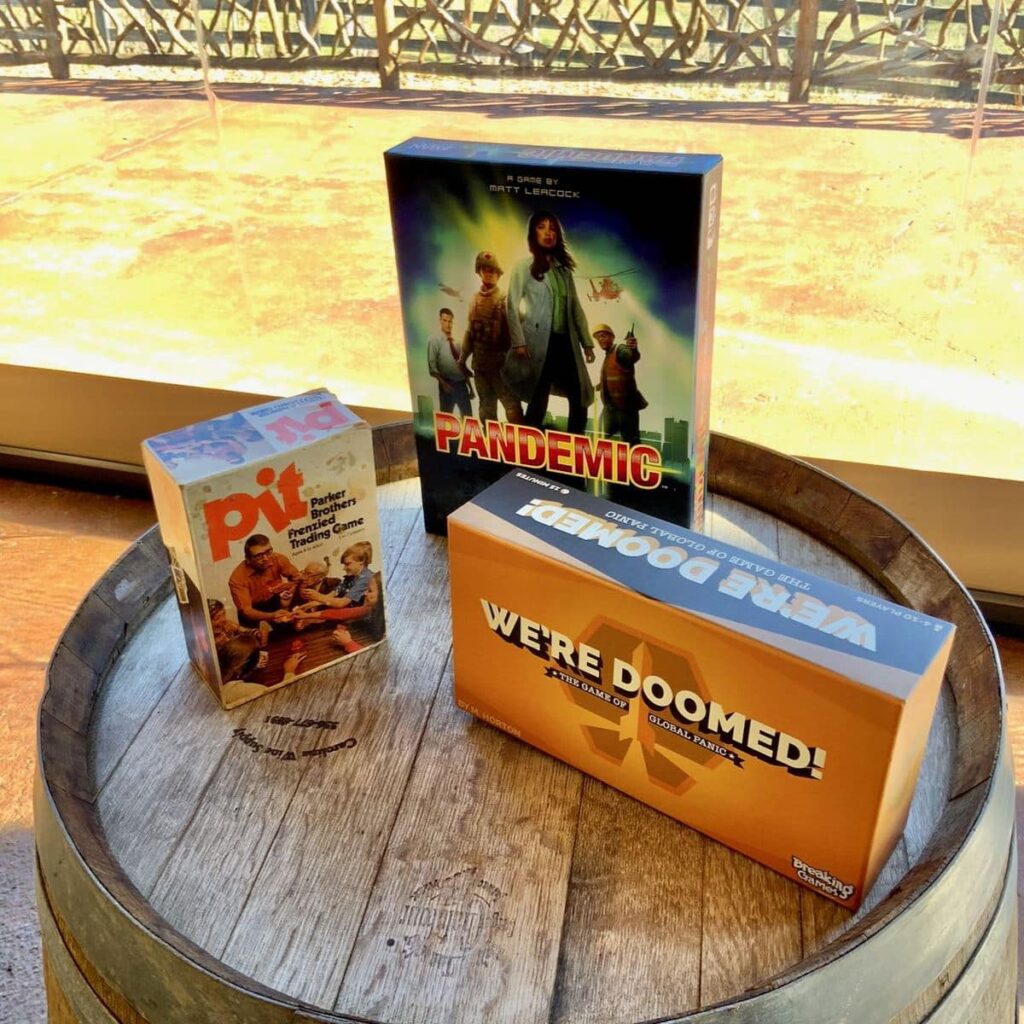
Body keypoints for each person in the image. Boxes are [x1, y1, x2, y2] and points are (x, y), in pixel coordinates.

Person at [505, 211, 595, 434]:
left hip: (566, 344)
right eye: (541, 227)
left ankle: (576, 446)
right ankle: (528, 446)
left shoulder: (564, 271)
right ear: (532, 233)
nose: (547, 232)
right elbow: (511, 305)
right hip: (538, 343)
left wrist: (587, 343)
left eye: (552, 228)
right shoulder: (523, 267)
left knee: (580, 398)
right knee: (538, 398)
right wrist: (519, 342)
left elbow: (575, 308)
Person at [459, 251, 522, 424]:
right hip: (480, 365)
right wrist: (462, 359)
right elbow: (470, 333)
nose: (490, 273)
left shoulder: (505, 300)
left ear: (499, 275)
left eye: (493, 271)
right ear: (479, 272)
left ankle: (519, 446)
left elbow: (520, 331)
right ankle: (491, 445)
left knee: (511, 406)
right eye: (485, 269)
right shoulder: (473, 300)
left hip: (501, 365)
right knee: (486, 407)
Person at [228, 534, 300, 626]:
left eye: (268, 552)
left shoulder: (277, 558)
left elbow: (296, 578)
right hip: (253, 610)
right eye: (258, 556)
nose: (266, 559)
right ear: (248, 559)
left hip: (275, 600)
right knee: (255, 638)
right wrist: (272, 616)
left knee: (292, 629)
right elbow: (247, 611)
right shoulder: (237, 578)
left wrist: (289, 593)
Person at [594, 323, 647, 444]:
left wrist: (632, 349)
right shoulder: (608, 357)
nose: (600, 340)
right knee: (598, 438)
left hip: (626, 410)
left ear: (612, 337)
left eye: (603, 336)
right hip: (610, 409)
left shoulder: (619, 350)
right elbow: (608, 381)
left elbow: (630, 356)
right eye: (598, 338)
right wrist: (592, 388)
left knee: (632, 444)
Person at [426, 307, 473, 417]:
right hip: (446, 385)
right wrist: (444, 384)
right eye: (445, 320)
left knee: (468, 419)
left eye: (450, 321)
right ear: (440, 320)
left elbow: (461, 365)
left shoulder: (457, 340)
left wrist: (470, 387)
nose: (448, 324)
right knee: (446, 419)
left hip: (461, 385)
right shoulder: (434, 340)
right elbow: (432, 367)